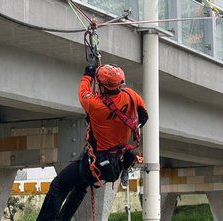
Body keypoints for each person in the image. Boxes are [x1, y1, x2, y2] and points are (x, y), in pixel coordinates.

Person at [37, 64, 148, 221]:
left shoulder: (95, 105)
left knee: (59, 186)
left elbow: (83, 92)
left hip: (95, 163)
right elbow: (144, 117)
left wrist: (88, 75)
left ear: (102, 86)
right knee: (80, 186)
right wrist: (123, 128)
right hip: (114, 163)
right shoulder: (131, 95)